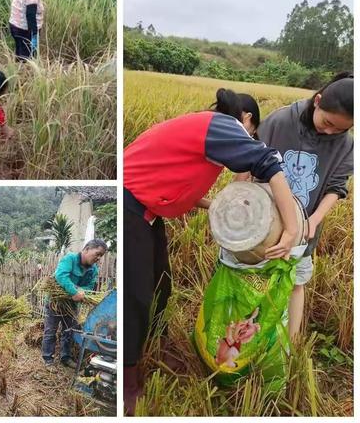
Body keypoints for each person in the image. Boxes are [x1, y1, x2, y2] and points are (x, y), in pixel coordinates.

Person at [123, 88, 299, 416]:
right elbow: (268, 161)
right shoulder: (224, 127)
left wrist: (218, 206)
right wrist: (291, 229)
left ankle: (157, 345)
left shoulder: (210, 135)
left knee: (161, 284)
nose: (249, 139)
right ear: (247, 119)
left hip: (147, 211)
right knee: (137, 296)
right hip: (128, 205)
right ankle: (128, 380)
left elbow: (178, 183)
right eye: (253, 132)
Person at [238, 72, 353, 340]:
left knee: (296, 283)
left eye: (340, 129)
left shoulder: (346, 145)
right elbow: (247, 160)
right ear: (318, 101)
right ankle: (246, 338)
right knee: (253, 279)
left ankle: (288, 344)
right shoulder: (280, 121)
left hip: (303, 229)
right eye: (327, 123)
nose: (330, 131)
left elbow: (336, 188)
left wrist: (313, 221)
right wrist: (237, 202)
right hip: (263, 223)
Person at [41, 239, 107, 368]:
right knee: (50, 331)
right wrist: (74, 292)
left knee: (69, 331)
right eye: (97, 253)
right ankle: (48, 359)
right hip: (56, 302)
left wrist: (81, 292)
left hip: (72, 305)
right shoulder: (70, 259)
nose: (98, 258)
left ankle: (65, 357)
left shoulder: (93, 270)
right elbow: (61, 276)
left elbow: (89, 286)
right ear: (87, 249)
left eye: (101, 256)